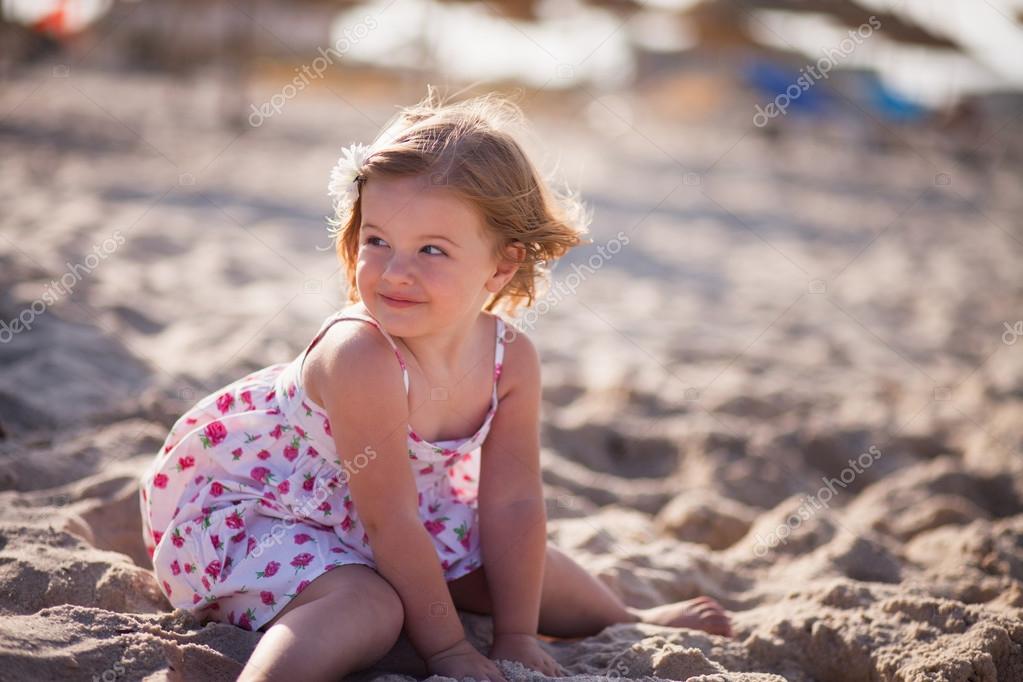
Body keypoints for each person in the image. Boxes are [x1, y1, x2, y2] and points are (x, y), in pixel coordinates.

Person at [138, 87, 732, 682]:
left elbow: (514, 502)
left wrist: (516, 636)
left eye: (431, 249)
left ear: (501, 264)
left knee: (504, 561)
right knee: (371, 606)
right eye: (377, 241)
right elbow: (388, 522)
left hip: (395, 507)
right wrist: (449, 649)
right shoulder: (362, 355)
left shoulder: (510, 357)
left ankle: (625, 615)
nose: (396, 271)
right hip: (268, 515)